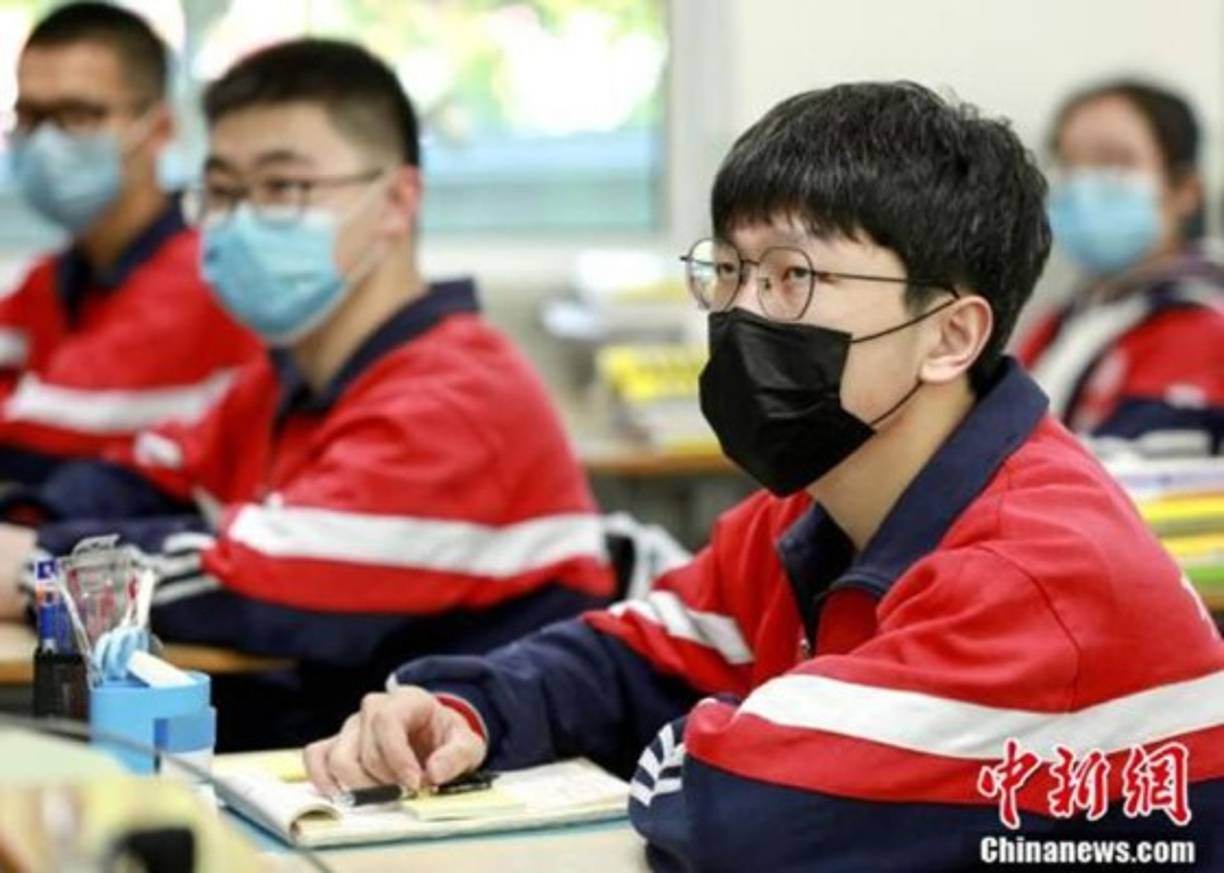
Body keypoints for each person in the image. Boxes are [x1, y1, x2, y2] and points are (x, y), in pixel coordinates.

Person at [304, 83, 1224, 870]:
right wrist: (467, 709)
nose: (743, 311)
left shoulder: (1035, 573)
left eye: (793, 275)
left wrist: (737, 722)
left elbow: (740, 803)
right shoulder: (811, 509)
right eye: (732, 270)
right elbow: (626, 658)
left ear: (950, 336)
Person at [0, 38, 615, 748]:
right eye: (223, 191)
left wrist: (39, 568)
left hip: (467, 800)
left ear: (397, 200)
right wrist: (30, 529)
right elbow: (134, 480)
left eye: (284, 188)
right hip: (326, 766)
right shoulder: (283, 378)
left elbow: (254, 581)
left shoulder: (460, 393)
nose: (237, 220)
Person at [0, 2, 259, 483]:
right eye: (30, 117)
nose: (46, 141)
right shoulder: (53, 279)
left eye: (78, 115)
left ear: (159, 128)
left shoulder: (205, 277)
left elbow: (38, 434)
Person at [1018, 79, 1224, 457]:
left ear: (1185, 191)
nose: (1083, 184)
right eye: (1068, 162)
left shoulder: (1200, 325)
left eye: (1114, 161)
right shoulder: (1065, 321)